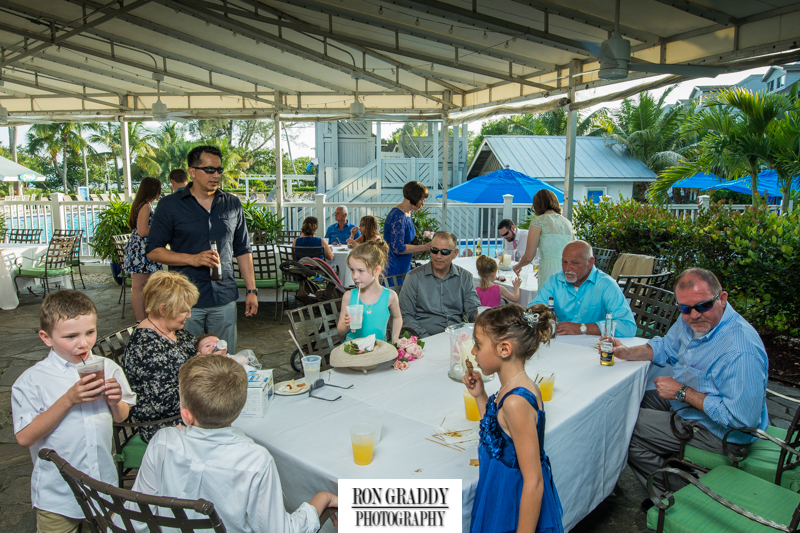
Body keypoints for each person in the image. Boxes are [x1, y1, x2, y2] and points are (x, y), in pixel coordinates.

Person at [120, 354, 338, 532]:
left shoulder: (162, 441)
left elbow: (136, 514)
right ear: (240, 409)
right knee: (358, 504)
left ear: (186, 415)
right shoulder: (256, 460)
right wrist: (321, 498)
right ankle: (369, 514)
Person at [611, 268, 769, 500]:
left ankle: (679, 498)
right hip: (690, 407)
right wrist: (627, 352)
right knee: (629, 399)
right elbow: (666, 347)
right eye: (685, 308)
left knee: (624, 427)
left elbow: (742, 422)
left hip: (724, 435)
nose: (694, 315)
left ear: (722, 299)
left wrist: (683, 393)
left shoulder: (739, 349)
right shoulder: (691, 321)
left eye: (702, 306)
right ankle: (674, 464)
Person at [12, 290, 135, 532]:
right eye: (71, 336)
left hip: (102, 486)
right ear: (46, 338)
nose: (84, 343)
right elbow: (25, 437)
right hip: (57, 494)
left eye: (90, 332)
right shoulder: (32, 381)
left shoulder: (108, 368)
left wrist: (115, 401)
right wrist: (68, 400)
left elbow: (121, 416)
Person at [462, 304, 564, 533]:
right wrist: (480, 396)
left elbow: (534, 481)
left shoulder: (516, 402)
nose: (474, 352)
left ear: (504, 349)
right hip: (499, 488)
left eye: (478, 344)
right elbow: (497, 437)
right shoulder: (512, 386)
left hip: (512, 500)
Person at [147, 145, 258, 353]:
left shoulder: (232, 203)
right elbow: (154, 250)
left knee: (225, 359)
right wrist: (192, 259)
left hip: (224, 297)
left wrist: (251, 290)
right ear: (192, 171)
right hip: (186, 301)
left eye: (219, 170)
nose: (215, 175)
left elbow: (243, 249)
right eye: (209, 170)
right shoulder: (170, 205)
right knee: (188, 360)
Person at [122, 271, 201, 443]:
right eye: (183, 311)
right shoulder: (146, 347)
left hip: (187, 411)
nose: (189, 316)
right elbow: (165, 403)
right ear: (163, 309)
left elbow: (195, 356)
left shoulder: (174, 331)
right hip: (163, 425)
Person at [530, 240, 636, 337]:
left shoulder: (606, 285)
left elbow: (628, 326)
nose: (567, 268)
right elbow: (532, 311)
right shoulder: (555, 281)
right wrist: (542, 320)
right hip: (562, 343)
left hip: (594, 349)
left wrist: (583, 328)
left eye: (575, 263)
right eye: (564, 262)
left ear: (590, 263)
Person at [399, 231, 481, 337]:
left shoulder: (465, 277)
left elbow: (473, 310)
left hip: (455, 336)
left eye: (444, 252)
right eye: (434, 250)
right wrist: (426, 338)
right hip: (423, 338)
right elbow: (406, 316)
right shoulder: (414, 277)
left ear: (455, 253)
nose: (438, 256)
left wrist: (480, 316)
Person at [337, 241, 402, 344]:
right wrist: (347, 324)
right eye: (352, 270)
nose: (354, 276)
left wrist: (395, 338)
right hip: (353, 349)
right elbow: (340, 331)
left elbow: (397, 317)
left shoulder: (390, 296)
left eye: (360, 271)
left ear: (376, 271)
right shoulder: (349, 296)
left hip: (379, 349)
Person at [513, 190, 575, 287]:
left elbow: (529, 256)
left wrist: (517, 266)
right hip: (568, 271)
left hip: (549, 271)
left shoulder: (538, 221)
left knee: (547, 301)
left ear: (537, 205)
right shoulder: (567, 222)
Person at [123, 176, 164, 321]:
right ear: (153, 189)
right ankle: (140, 319)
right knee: (139, 286)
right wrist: (161, 229)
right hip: (141, 250)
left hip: (140, 248)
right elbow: (142, 231)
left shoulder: (141, 204)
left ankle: (145, 318)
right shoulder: (145, 205)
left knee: (144, 286)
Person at [384, 181, 432, 277]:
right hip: (394, 268)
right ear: (414, 197)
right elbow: (398, 248)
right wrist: (424, 247)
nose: (423, 203)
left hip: (403, 265)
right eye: (422, 199)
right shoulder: (397, 216)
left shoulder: (408, 213)